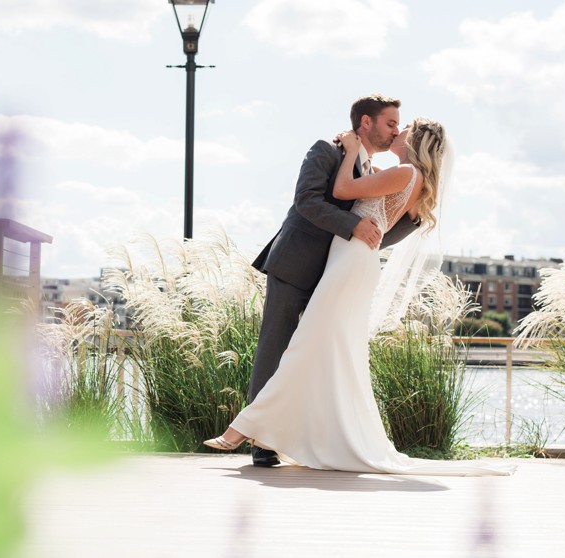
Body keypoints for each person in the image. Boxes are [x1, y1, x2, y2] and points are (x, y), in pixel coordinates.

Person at [205, 116, 514, 476]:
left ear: (417, 142)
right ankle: (298, 434)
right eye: (394, 125)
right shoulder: (406, 177)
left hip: (349, 263)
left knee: (305, 346)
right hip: (348, 262)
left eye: (405, 129)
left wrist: (352, 151)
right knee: (328, 353)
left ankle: (241, 431)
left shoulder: (404, 174)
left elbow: (342, 192)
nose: (398, 132)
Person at [244, 95, 420, 467]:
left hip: (335, 275)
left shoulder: (374, 173)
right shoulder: (326, 149)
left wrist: (413, 217)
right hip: (295, 265)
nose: (395, 131)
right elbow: (306, 201)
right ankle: (261, 441)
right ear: (367, 122)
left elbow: (376, 234)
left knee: (318, 356)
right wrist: (353, 224)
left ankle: (307, 437)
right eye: (390, 123)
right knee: (276, 350)